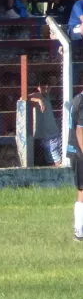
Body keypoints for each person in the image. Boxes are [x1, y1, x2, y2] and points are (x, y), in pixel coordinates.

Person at [29, 86, 62, 166]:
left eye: (48, 86)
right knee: (56, 159)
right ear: (39, 87)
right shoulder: (38, 95)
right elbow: (24, 98)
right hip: (48, 135)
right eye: (44, 87)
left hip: (52, 134)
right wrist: (39, 101)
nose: (47, 88)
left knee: (53, 159)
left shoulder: (46, 96)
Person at [68, 88, 83, 241]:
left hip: (74, 151)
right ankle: (79, 231)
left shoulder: (76, 99)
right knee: (82, 192)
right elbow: (80, 131)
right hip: (80, 153)